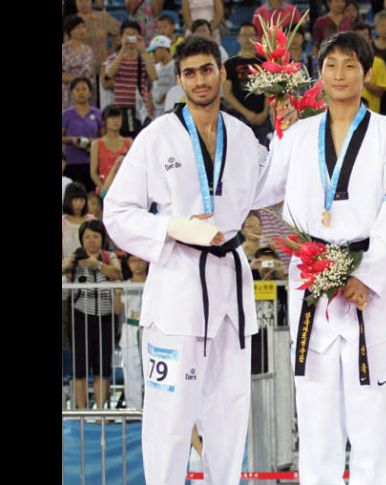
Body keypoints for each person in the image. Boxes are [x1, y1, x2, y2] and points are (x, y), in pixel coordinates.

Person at [103, 36, 290, 485]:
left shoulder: (242, 136)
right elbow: (116, 211)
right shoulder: (157, 137)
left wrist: (290, 128)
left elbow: (271, 188)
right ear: (180, 80)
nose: (200, 79)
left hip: (229, 286)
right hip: (178, 287)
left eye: (207, 69)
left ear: (221, 73)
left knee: (229, 412)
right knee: (169, 419)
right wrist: (170, 227)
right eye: (190, 73)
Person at [258, 31, 386, 484]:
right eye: (330, 65)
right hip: (309, 275)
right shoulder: (299, 133)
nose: (340, 74)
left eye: (350, 65)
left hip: (367, 281)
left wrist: (369, 273)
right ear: (318, 75)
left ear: (366, 74)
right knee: (316, 409)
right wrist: (275, 132)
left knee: (371, 411)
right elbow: (264, 188)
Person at [61, 220, 123, 409]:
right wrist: (70, 262)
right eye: (87, 236)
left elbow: (117, 273)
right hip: (80, 316)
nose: (91, 240)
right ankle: (80, 410)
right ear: (81, 239)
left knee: (102, 368)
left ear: (102, 238)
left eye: (95, 236)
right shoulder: (76, 256)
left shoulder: (108, 256)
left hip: (105, 318)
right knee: (79, 367)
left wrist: (96, 264)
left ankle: (100, 413)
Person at [223, 22, 272, 146]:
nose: (247, 38)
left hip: (263, 118)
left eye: (251, 35)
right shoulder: (230, 64)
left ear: (257, 38)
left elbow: (271, 89)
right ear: (238, 38)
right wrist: (247, 113)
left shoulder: (265, 61)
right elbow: (227, 94)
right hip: (239, 117)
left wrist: (265, 113)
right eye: (244, 35)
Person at [113, 254, 149, 409]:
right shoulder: (125, 285)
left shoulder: (154, 283)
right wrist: (117, 293)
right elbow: (117, 310)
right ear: (128, 264)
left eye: (140, 259)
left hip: (149, 330)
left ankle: (152, 412)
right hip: (130, 331)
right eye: (133, 260)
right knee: (131, 372)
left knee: (150, 372)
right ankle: (134, 411)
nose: (137, 264)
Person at [62, 77, 104, 192]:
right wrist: (72, 140)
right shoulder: (66, 114)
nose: (81, 92)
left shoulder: (98, 114)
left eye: (84, 89)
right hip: (72, 163)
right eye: (77, 89)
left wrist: (93, 142)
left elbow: (104, 138)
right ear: (72, 93)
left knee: (92, 196)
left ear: (90, 92)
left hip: (93, 164)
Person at [90, 105, 132, 196]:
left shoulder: (129, 143)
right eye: (112, 117)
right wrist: (104, 190)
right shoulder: (96, 144)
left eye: (118, 117)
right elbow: (93, 173)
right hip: (104, 190)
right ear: (104, 121)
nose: (115, 120)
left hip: (125, 190)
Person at [62, 15, 95, 110]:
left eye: (83, 27)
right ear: (70, 31)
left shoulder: (89, 50)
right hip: (67, 92)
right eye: (77, 28)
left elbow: (91, 73)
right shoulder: (63, 50)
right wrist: (76, 80)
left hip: (85, 92)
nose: (81, 30)